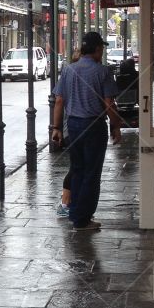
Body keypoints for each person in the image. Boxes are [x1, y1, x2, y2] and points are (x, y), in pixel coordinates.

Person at [50, 31, 121, 232]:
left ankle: (75, 213)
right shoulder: (103, 72)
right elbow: (109, 105)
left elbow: (59, 101)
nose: (102, 51)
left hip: (73, 125)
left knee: (78, 170)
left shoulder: (68, 70)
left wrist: (56, 128)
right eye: (102, 48)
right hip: (94, 126)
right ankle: (83, 219)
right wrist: (116, 126)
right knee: (91, 173)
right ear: (97, 49)